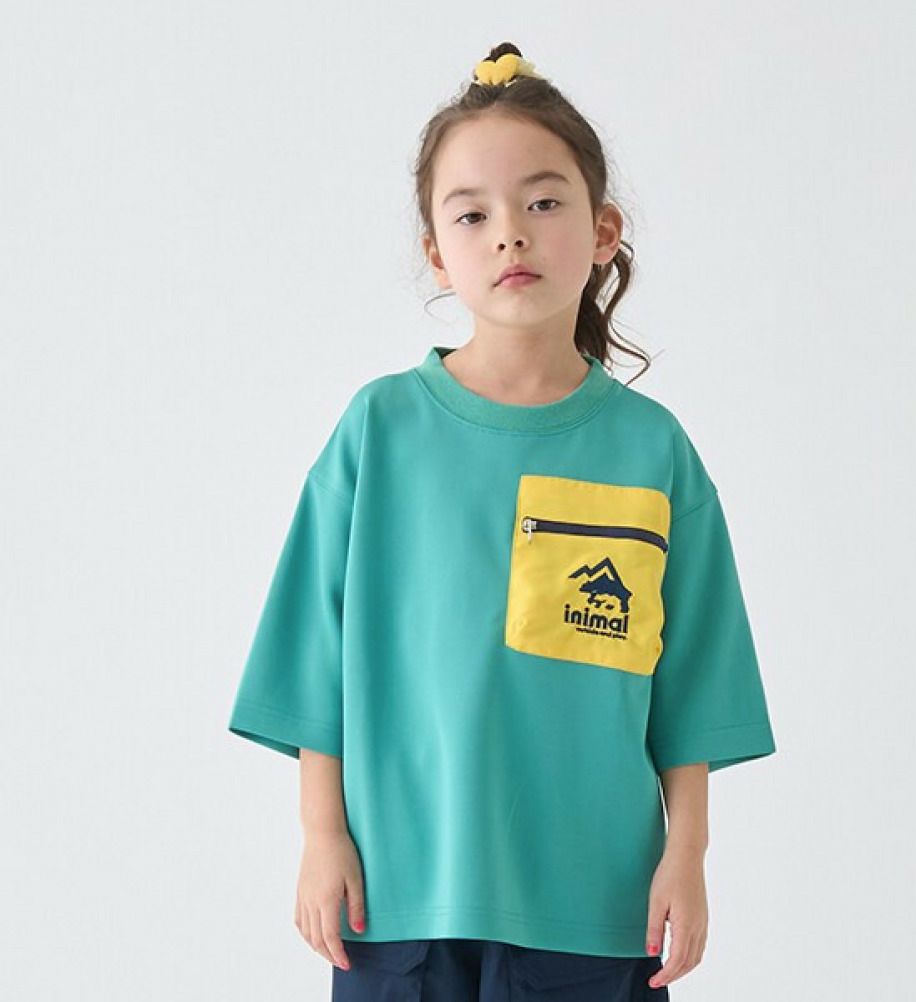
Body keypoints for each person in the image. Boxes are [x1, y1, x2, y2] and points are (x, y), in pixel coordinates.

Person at [227, 41, 777, 1002]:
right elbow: (315, 655)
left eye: (544, 203)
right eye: (473, 214)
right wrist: (320, 836)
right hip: (399, 899)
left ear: (603, 230)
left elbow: (694, 685)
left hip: (594, 906)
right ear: (437, 253)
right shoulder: (379, 430)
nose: (510, 235)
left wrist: (686, 856)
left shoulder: (652, 451)